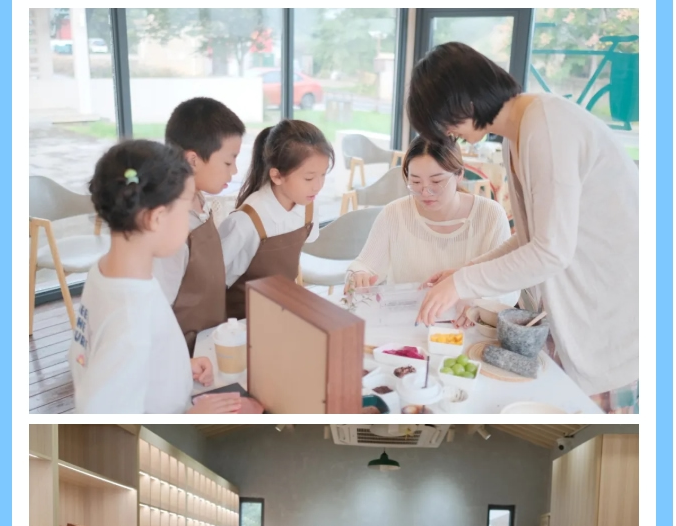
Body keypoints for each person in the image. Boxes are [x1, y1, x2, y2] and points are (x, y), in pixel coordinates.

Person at [407, 42, 639, 403]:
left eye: (446, 122)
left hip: (614, 306)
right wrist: (464, 273)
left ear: (466, 100)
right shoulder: (518, 135)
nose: (448, 134)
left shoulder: (547, 128)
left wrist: (462, 283)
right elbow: (531, 237)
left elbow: (550, 252)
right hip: (590, 301)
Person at [68, 140, 217, 415]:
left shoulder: (108, 272)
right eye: (186, 209)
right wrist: (191, 419)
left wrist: (177, 367)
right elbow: (101, 417)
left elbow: (111, 355)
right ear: (156, 218)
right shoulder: (130, 319)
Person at [345, 132, 510, 296]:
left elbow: (508, 289)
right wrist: (358, 275)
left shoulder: (490, 216)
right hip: (407, 312)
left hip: (471, 313)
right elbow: (363, 265)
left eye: (436, 181)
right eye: (415, 182)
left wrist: (470, 301)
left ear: (459, 174)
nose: (425, 192)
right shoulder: (394, 214)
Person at [153, 95, 245, 349]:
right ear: (193, 160)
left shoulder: (199, 199)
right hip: (182, 354)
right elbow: (157, 311)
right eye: (228, 161)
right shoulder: (171, 227)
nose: (234, 171)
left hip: (208, 341)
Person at [220, 120, 334, 318]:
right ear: (277, 176)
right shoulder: (246, 221)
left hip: (280, 311)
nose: (318, 186)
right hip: (240, 320)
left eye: (323, 175)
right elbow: (215, 278)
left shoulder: (308, 205)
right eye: (309, 178)